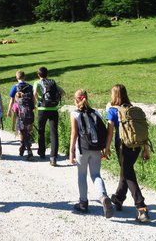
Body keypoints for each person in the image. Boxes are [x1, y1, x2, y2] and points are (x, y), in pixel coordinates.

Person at [105, 84, 151, 223]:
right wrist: (146, 149)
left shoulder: (113, 111)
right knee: (126, 171)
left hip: (123, 146)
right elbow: (142, 130)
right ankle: (118, 198)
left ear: (114, 95)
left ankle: (141, 207)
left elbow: (110, 132)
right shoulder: (133, 109)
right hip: (136, 146)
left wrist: (106, 148)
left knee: (128, 173)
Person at [69, 89, 114, 218]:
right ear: (87, 98)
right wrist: (104, 148)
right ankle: (103, 196)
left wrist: (71, 151)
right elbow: (102, 131)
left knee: (82, 175)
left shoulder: (74, 114)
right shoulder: (96, 113)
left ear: (75, 100)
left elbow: (74, 134)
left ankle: (83, 203)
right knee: (96, 175)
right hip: (96, 148)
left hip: (82, 149)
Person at [33, 66, 63, 166]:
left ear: (38, 75)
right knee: (54, 133)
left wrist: (37, 102)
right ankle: (53, 157)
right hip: (54, 109)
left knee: (41, 131)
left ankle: (42, 153)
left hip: (42, 109)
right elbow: (62, 92)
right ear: (47, 74)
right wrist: (57, 100)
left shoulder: (37, 83)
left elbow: (35, 94)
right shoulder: (52, 82)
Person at [9, 70, 34, 160]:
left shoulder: (14, 87)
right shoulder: (30, 87)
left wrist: (9, 110)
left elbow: (12, 100)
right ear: (24, 76)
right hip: (30, 112)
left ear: (17, 77)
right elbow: (33, 98)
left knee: (24, 133)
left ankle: (29, 152)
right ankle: (22, 148)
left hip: (21, 115)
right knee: (26, 132)